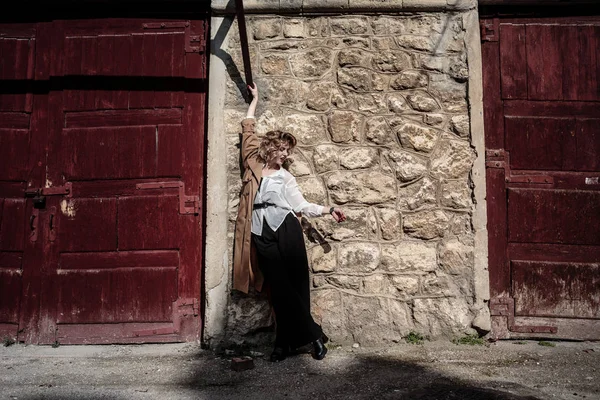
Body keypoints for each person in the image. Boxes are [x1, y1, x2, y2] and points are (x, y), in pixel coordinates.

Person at [233, 83, 346, 362]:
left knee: (295, 286)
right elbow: (248, 128)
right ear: (270, 148)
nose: (285, 155)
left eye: (287, 151)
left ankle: (282, 346)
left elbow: (300, 205)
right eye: (282, 149)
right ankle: (314, 335)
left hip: (286, 227)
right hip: (259, 230)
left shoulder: (286, 177)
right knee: (278, 288)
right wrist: (255, 100)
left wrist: (328, 209)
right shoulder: (253, 164)